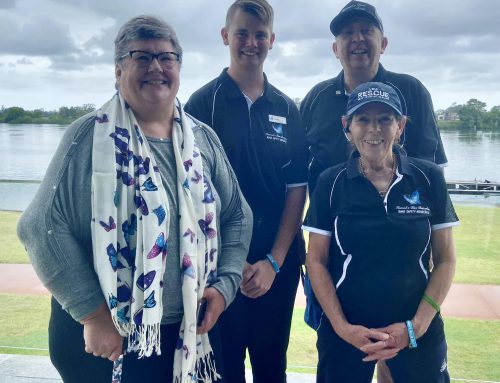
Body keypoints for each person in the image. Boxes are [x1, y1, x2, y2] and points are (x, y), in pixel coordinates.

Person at [17, 15, 253, 383]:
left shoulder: (202, 139)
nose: (156, 67)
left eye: (167, 58)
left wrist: (225, 286)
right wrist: (93, 315)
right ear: (118, 69)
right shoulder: (88, 138)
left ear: (178, 67)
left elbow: (238, 215)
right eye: (141, 57)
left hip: (187, 331)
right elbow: (40, 228)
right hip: (109, 338)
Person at [184, 1, 308, 382]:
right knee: (225, 367)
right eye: (242, 33)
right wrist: (228, 270)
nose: (250, 42)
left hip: (276, 265)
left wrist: (273, 261)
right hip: (218, 268)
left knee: (273, 367)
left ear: (272, 40)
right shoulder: (201, 105)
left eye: (259, 34)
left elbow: (296, 190)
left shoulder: (288, 109)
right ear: (225, 36)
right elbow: (192, 193)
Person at [303, 81, 458, 383]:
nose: (374, 129)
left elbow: (446, 260)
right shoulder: (330, 183)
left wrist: (415, 327)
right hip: (346, 332)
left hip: (417, 332)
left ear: (400, 126)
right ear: (347, 126)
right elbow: (317, 262)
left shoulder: (429, 178)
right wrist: (343, 328)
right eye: (363, 119)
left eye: (385, 119)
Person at [301, 0, 448, 194]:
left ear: (383, 44)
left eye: (367, 31)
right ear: (335, 49)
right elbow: (298, 171)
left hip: (399, 218)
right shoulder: (316, 97)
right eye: (348, 32)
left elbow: (433, 168)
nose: (358, 38)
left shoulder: (412, 90)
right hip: (331, 219)